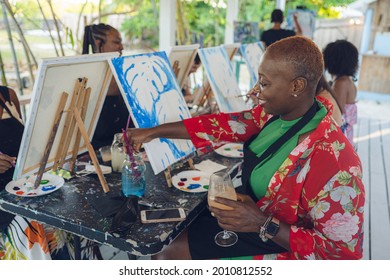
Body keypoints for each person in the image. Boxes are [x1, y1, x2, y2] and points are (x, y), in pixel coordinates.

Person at [125, 36, 365, 260]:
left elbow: (341, 254)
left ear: (296, 86)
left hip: (281, 242)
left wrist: (263, 223)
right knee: (174, 233)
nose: (253, 91)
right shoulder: (274, 116)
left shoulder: (336, 161)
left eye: (264, 83)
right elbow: (223, 125)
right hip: (256, 215)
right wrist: (154, 132)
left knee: (169, 252)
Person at [0, 86, 68, 259]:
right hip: (9, 210)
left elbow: (26, 147)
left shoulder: (8, 95)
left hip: (26, 190)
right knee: (30, 224)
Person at [82, 23, 131, 150]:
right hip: (99, 151)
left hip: (123, 147)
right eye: (116, 42)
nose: (121, 47)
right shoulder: (87, 75)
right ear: (99, 44)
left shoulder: (118, 71)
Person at [323, 39, 359, 144]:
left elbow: (336, 110)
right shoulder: (347, 79)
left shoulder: (341, 82)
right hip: (346, 131)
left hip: (340, 133)